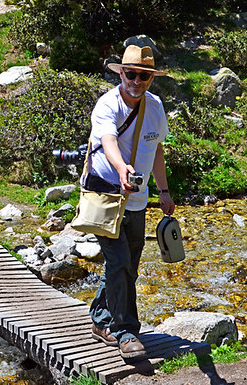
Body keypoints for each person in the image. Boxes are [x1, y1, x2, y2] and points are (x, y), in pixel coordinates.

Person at [86, 45, 175, 359]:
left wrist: (163, 191)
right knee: (121, 262)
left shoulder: (155, 107)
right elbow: (108, 140)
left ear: (151, 78)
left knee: (126, 267)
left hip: (137, 201)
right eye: (131, 73)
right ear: (121, 73)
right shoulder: (107, 105)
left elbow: (158, 150)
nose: (136, 80)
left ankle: (99, 314)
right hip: (106, 195)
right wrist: (122, 167)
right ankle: (125, 333)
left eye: (144, 75)